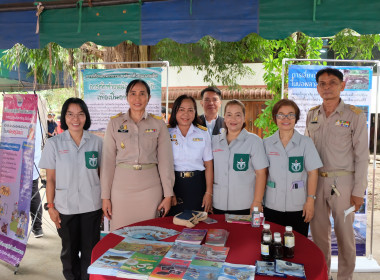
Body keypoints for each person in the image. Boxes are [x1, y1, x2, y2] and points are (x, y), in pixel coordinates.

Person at [305, 67, 368, 280]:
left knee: (345, 237)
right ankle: (324, 275)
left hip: (344, 183)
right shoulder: (312, 114)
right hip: (316, 182)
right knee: (320, 237)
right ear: (317, 88)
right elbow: (306, 151)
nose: (327, 87)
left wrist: (359, 191)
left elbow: (362, 156)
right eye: (322, 83)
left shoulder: (355, 115)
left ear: (342, 85)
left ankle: (344, 277)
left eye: (332, 82)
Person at [39, 98, 103, 280]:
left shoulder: (97, 143)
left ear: (86, 117)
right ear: (64, 117)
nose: (76, 118)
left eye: (80, 114)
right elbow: (50, 178)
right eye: (70, 114)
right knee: (69, 252)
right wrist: (50, 206)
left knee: (90, 252)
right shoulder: (54, 144)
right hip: (65, 208)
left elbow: (102, 175)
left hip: (92, 206)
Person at [101, 79, 175, 231]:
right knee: (120, 235)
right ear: (127, 97)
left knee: (149, 235)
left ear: (148, 97)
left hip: (150, 188)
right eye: (133, 94)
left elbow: (165, 161)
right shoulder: (115, 123)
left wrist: (168, 194)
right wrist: (105, 197)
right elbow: (107, 162)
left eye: (142, 94)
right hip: (121, 189)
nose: (137, 98)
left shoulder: (158, 124)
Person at [262, 99, 323, 237]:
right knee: (273, 245)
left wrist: (310, 200)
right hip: (272, 205)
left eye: (291, 114)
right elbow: (262, 174)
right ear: (275, 118)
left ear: (296, 118)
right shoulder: (266, 143)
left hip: (298, 206)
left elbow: (313, 173)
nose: (286, 118)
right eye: (281, 115)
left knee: (296, 247)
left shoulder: (306, 143)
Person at [212, 99, 268, 214]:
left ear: (244, 118)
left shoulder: (254, 141)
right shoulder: (214, 141)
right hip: (218, 203)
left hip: (245, 204)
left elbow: (261, 173)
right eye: (229, 115)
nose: (233, 119)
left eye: (238, 115)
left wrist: (257, 201)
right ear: (224, 117)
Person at [167, 95, 213, 215]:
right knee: (174, 223)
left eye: (190, 110)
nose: (186, 114)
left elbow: (208, 164)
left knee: (197, 223)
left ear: (195, 112)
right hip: (174, 184)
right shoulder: (167, 132)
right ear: (175, 111)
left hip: (197, 184)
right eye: (181, 110)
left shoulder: (203, 133)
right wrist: (168, 191)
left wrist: (208, 192)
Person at [31, 118, 44, 238]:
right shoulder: (37, 121)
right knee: (33, 194)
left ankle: (37, 227)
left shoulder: (28, 119)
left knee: (31, 195)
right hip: (32, 166)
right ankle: (37, 227)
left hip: (28, 165)